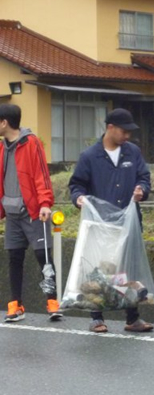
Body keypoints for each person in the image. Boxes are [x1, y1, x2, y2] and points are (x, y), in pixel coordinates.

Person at [68, 108, 154, 333]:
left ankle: (132, 317)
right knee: (98, 270)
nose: (127, 136)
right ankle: (96, 316)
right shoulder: (90, 156)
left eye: (129, 132)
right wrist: (78, 198)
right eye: (124, 131)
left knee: (128, 268)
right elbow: (77, 184)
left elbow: (144, 178)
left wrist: (141, 190)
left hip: (128, 223)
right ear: (110, 128)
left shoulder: (132, 153)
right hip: (100, 224)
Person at [0, 103, 62, 322]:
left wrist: (45, 203)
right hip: (12, 214)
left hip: (34, 212)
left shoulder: (31, 143)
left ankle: (52, 301)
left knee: (42, 257)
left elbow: (42, 175)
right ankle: (16, 304)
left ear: (4, 122)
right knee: (14, 258)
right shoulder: (2, 147)